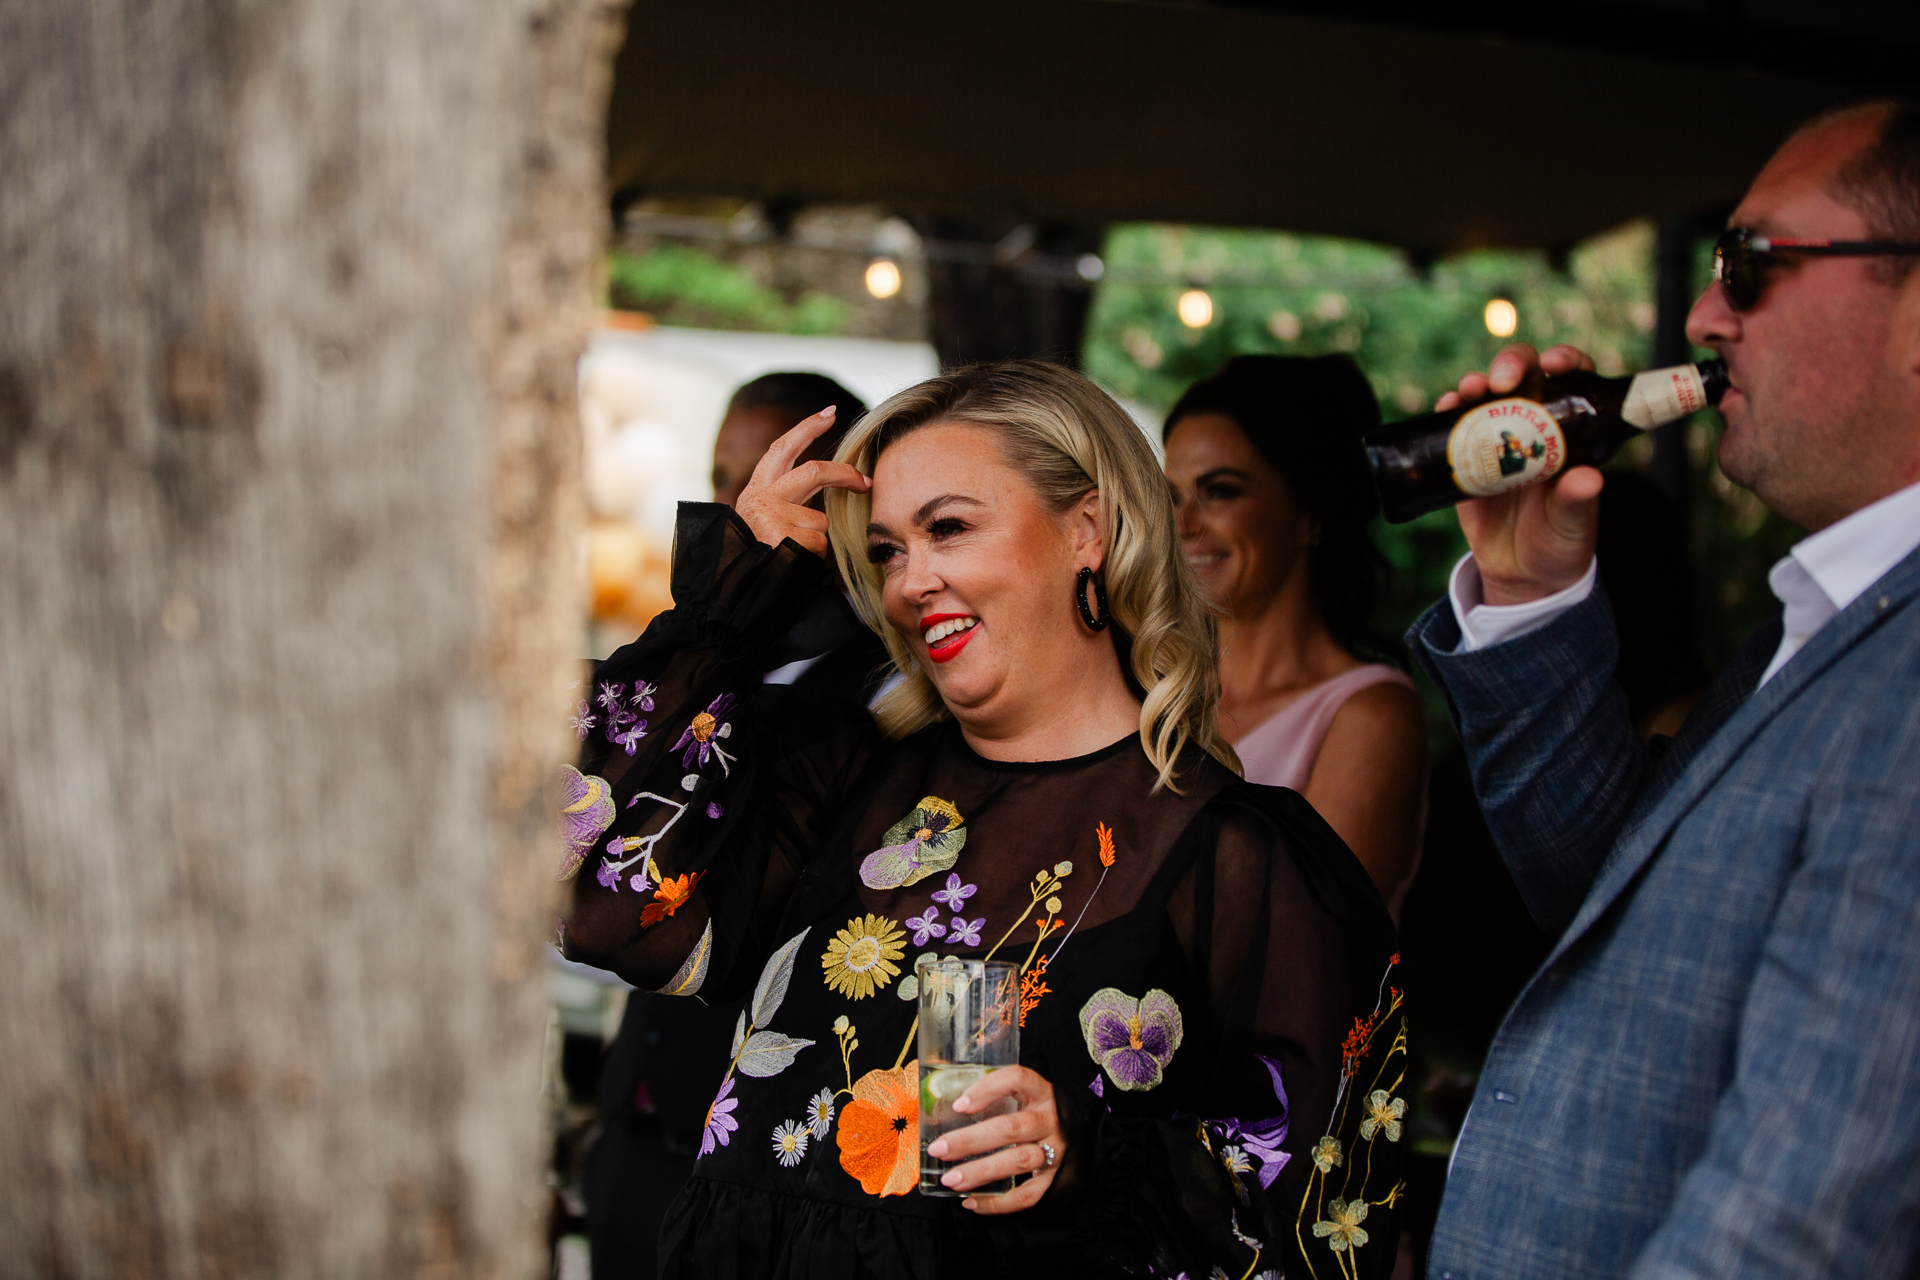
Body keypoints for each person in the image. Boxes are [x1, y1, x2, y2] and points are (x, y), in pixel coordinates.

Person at [561, 360, 1406, 1279]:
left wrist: (1081, 1153)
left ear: (1088, 528)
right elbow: (595, 895)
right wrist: (734, 598)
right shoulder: (842, 776)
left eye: (949, 528)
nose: (909, 582)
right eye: (885, 550)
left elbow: (1327, 1219)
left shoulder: (1237, 852)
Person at [1409, 100, 1920, 1279]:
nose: (1701, 313)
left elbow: (1803, 1223)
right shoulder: (1822, 617)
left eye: (1751, 264)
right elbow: (1606, 898)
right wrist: (1531, 586)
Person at [586, 371, 884, 1279]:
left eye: (771, 477)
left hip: (758, 1169)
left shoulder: (876, 697)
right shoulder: (701, 651)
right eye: (724, 478)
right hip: (636, 1132)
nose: (739, 504)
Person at [1162, 355, 1428, 915]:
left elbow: (1307, 936)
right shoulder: (1151, 690)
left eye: (1220, 491)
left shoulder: (1368, 715)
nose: (1183, 526)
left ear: (1310, 515)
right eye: (1172, 497)